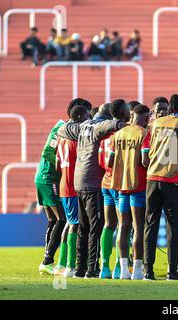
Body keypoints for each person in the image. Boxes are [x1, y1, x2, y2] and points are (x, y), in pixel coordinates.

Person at [57, 101, 127, 278]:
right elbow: (108, 125)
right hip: (93, 183)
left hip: (78, 183)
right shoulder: (96, 127)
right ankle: (91, 268)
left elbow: (61, 129)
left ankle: (80, 268)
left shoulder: (81, 127)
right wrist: (122, 124)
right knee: (96, 227)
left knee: (83, 227)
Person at [144, 94, 178, 280]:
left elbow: (148, 153)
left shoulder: (155, 124)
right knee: (173, 225)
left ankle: (148, 271)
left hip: (152, 177)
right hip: (173, 178)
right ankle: (172, 271)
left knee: (150, 224)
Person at [108, 104, 150, 280]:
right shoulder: (144, 134)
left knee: (122, 226)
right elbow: (145, 161)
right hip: (138, 185)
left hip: (120, 185)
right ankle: (138, 269)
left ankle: (124, 269)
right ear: (146, 118)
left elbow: (110, 162)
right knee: (138, 227)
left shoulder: (117, 135)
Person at [54, 105, 90, 277]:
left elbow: (56, 164)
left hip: (64, 185)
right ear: (79, 117)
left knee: (70, 223)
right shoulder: (76, 139)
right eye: (86, 116)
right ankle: (69, 265)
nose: (88, 120)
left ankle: (61, 263)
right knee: (75, 225)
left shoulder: (61, 138)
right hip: (73, 187)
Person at [97, 102, 128, 280]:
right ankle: (118, 267)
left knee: (109, 225)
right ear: (124, 113)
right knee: (123, 226)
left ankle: (104, 267)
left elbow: (103, 163)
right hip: (119, 183)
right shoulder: (122, 135)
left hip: (105, 182)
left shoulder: (104, 137)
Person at [35, 119, 66, 275]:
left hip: (44, 177)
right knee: (62, 219)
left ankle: (47, 261)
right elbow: (47, 152)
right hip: (48, 178)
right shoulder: (60, 129)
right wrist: (63, 166)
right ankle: (47, 260)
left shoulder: (60, 128)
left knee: (53, 220)